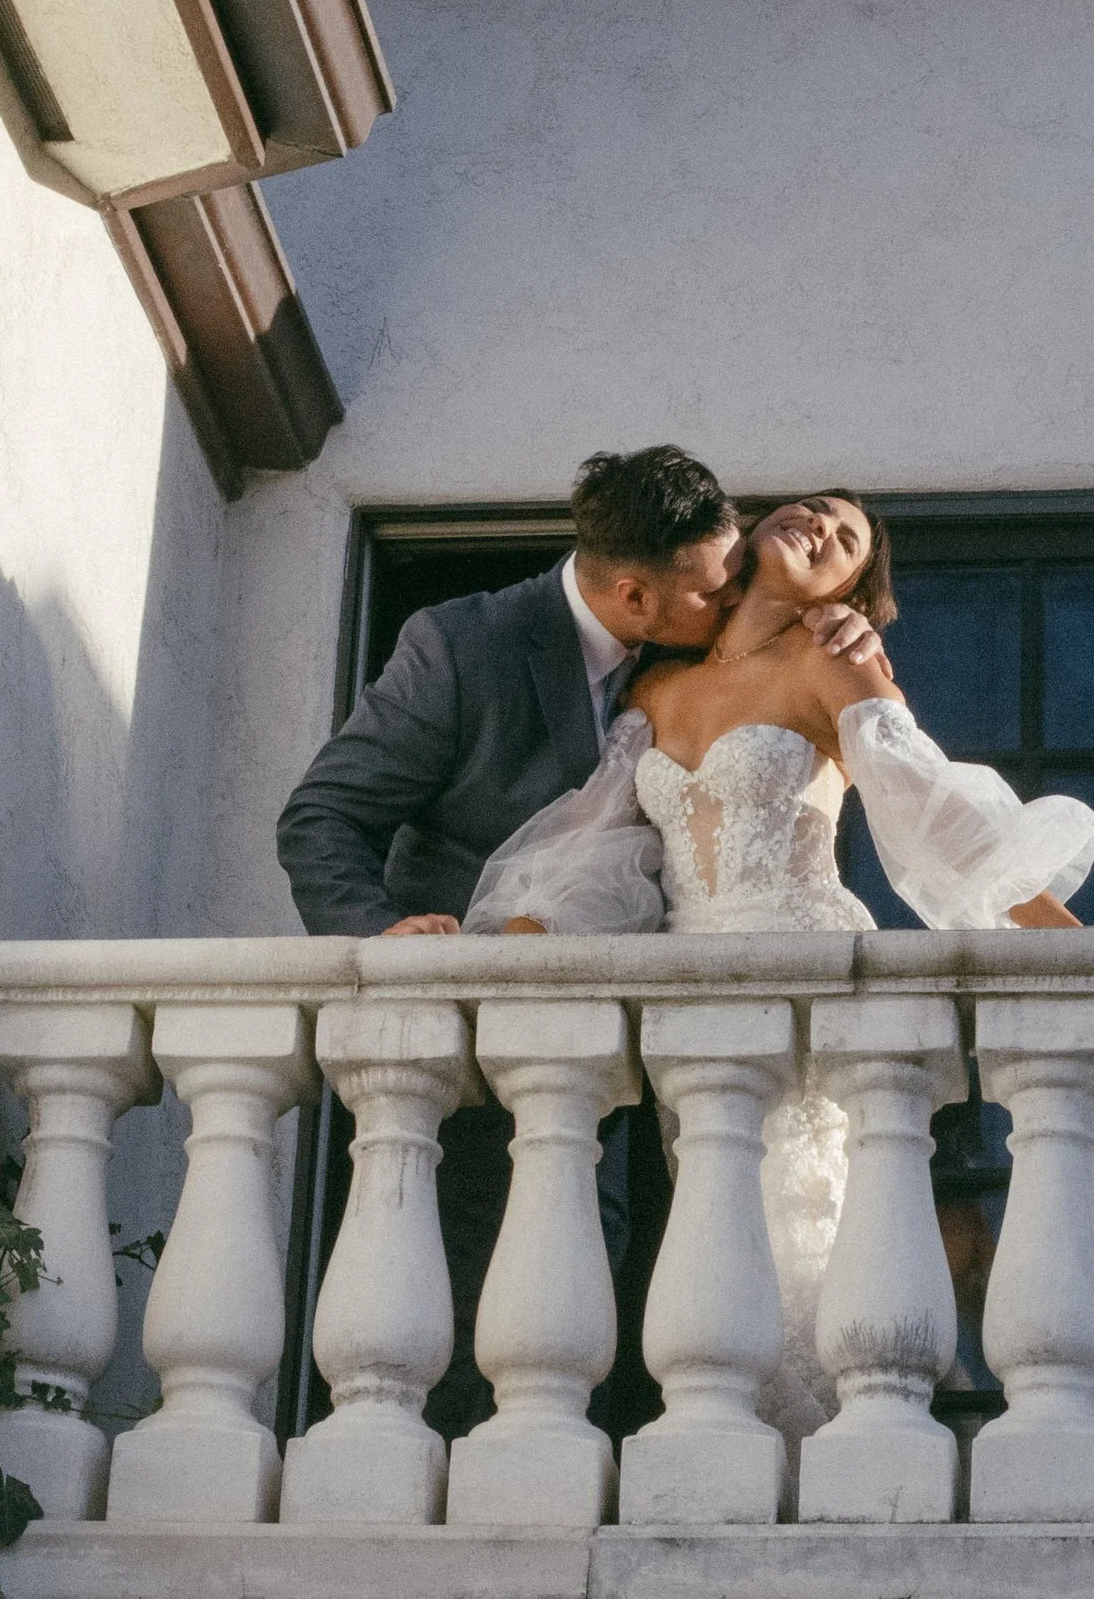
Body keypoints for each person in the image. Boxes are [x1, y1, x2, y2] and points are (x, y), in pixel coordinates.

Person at [465, 491, 1094, 1460]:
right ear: (756, 529)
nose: (822, 528)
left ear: (852, 586)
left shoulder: (831, 662)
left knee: (806, 1230)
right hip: (699, 1007)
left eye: (847, 540)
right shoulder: (655, 689)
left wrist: (1067, 940)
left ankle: (839, 1469)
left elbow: (931, 809)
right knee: (719, 1242)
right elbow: (603, 847)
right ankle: (745, 1470)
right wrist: (522, 928)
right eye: (811, 510)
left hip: (804, 978)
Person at [276, 446, 885, 1439]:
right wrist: (385, 933)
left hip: (661, 1042)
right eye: (716, 583)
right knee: (484, 1289)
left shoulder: (701, 646)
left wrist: (830, 617)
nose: (734, 589)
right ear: (637, 596)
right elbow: (322, 817)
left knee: (633, 1281)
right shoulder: (459, 646)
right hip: (488, 1044)